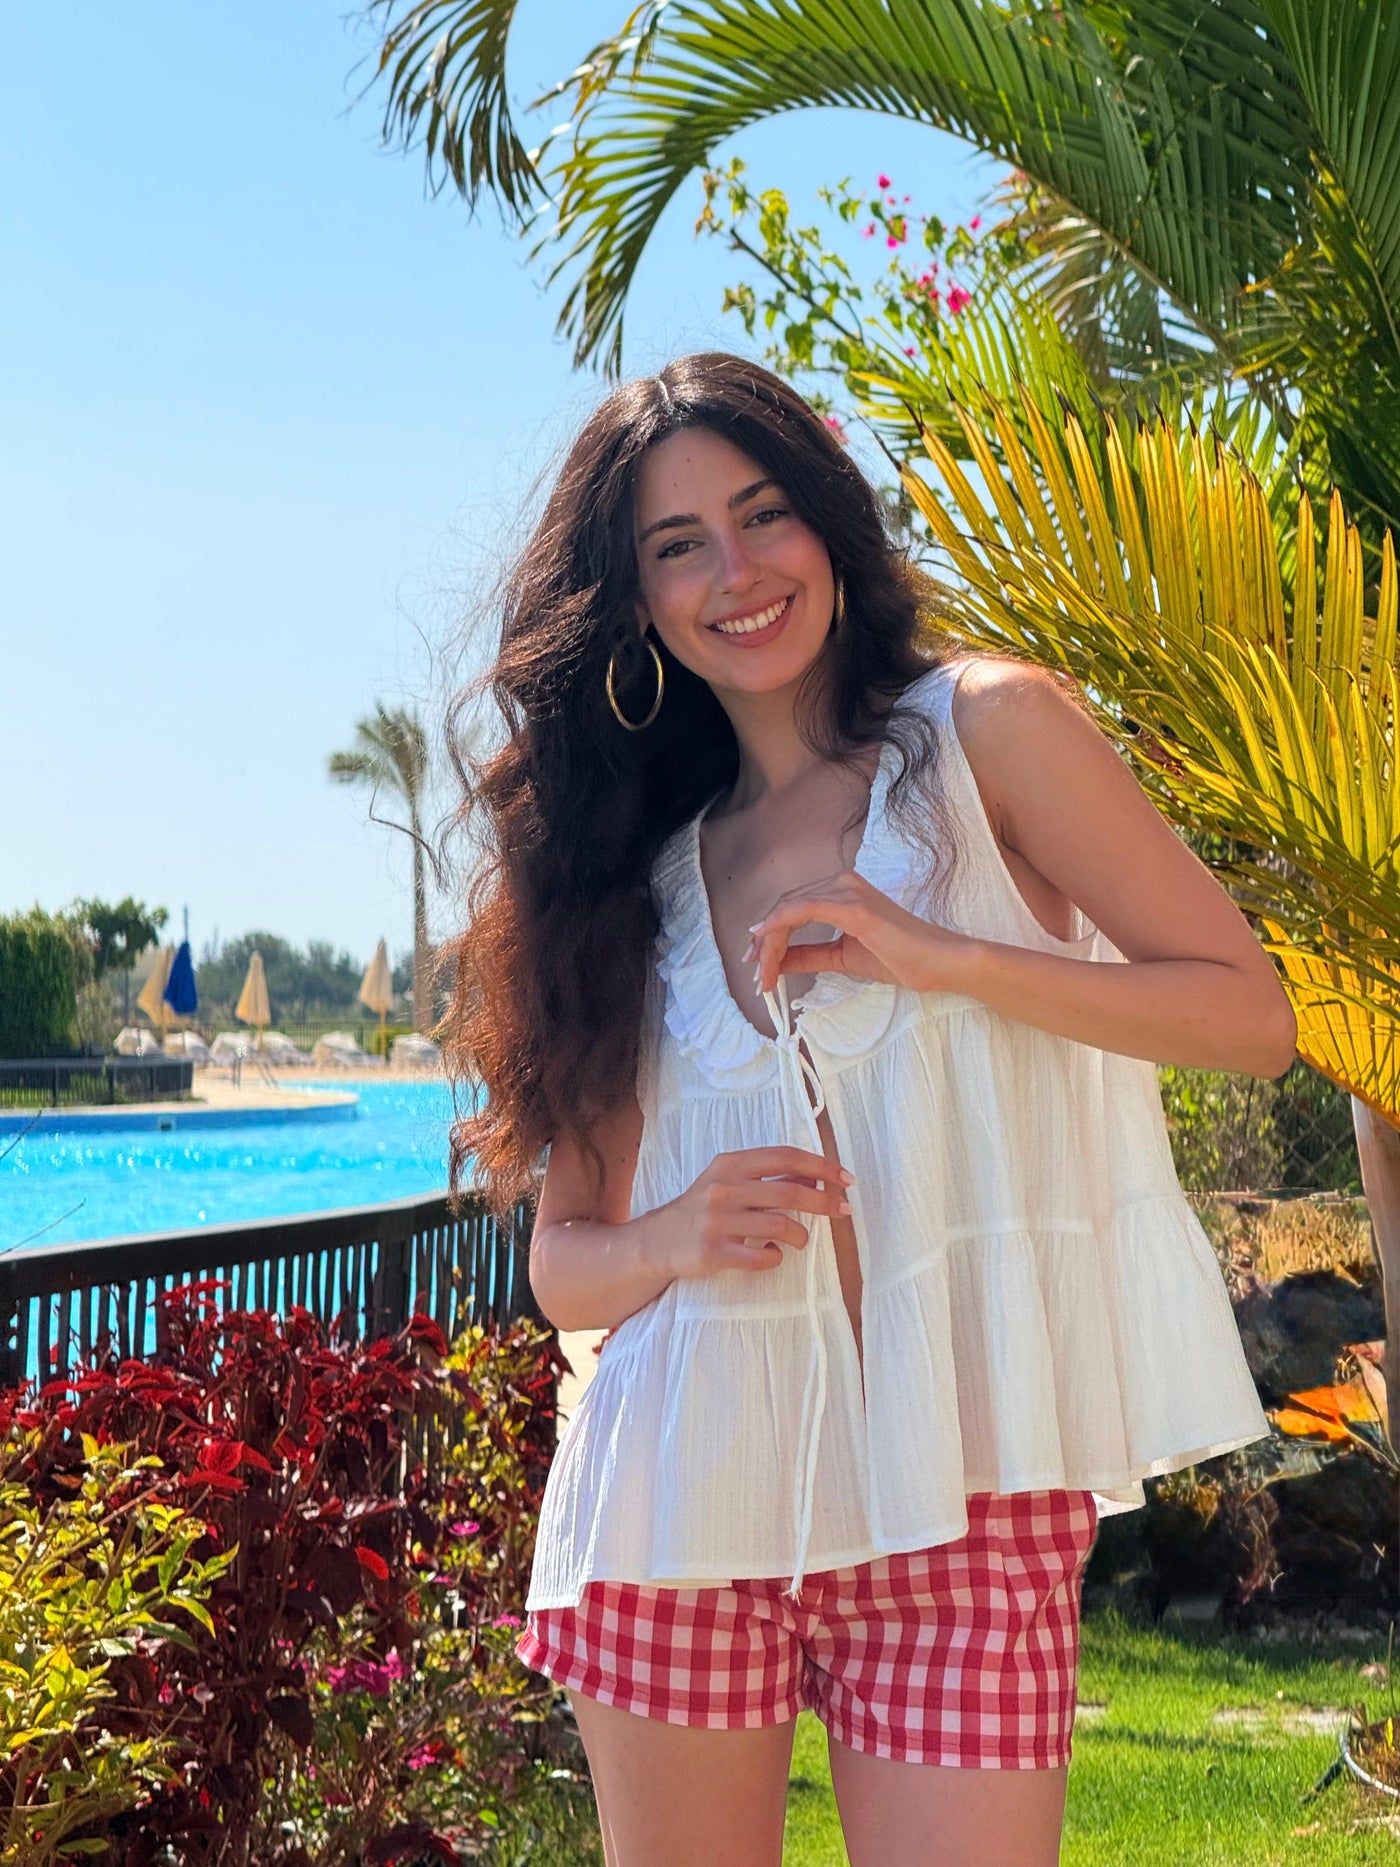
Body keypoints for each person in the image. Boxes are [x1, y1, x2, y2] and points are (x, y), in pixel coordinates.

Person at [440, 352, 1297, 1867]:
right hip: (686, 1492)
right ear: (636, 605)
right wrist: (674, 1235)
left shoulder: (984, 737)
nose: (735, 571)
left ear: (830, 521)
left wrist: (945, 956)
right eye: (679, 545)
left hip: (960, 1491)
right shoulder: (639, 878)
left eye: (763, 513)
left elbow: (1248, 1016)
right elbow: (564, 1263)